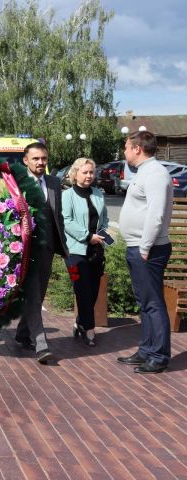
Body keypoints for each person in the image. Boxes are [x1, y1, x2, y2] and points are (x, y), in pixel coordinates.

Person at [117, 130, 173, 374]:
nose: (125, 152)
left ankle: (159, 356)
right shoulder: (145, 173)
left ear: (137, 148)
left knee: (153, 303)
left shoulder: (156, 174)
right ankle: (146, 350)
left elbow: (156, 214)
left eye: (127, 147)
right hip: (139, 247)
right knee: (144, 302)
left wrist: (144, 246)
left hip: (148, 249)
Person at [15, 142, 67, 364]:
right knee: (34, 294)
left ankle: (22, 333)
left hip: (47, 249)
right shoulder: (15, 183)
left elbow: (59, 217)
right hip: (23, 251)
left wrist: (64, 246)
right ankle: (41, 345)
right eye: (35, 159)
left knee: (39, 293)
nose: (40, 163)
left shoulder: (54, 183)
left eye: (43, 159)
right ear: (25, 160)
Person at [62, 157, 109, 347]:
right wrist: (87, 236)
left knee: (94, 291)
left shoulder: (98, 193)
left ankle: (80, 322)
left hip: (96, 250)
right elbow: (65, 220)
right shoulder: (68, 196)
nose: (89, 175)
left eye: (91, 172)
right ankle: (89, 329)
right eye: (85, 172)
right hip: (74, 252)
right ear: (75, 174)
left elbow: (104, 219)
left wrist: (102, 235)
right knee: (82, 289)